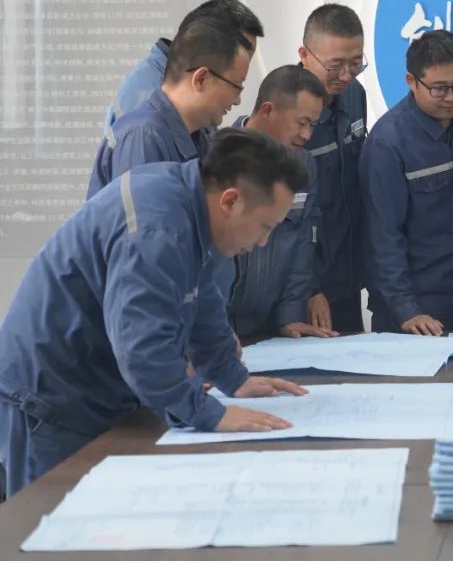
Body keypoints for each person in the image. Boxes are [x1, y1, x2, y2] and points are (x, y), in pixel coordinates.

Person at [0, 130, 311, 498]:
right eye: (265, 227)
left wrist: (230, 376)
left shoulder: (189, 205)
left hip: (93, 390)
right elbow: (142, 345)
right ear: (230, 200)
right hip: (50, 399)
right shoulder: (157, 228)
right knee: (49, 520)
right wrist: (209, 413)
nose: (262, 242)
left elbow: (202, 296)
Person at [360, 30, 453, 335]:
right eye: (439, 88)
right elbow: (382, 236)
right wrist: (406, 310)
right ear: (412, 81)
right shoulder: (388, 144)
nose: (451, 97)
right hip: (412, 311)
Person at [87, 11, 254, 198]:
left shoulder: (196, 135)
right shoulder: (144, 137)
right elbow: (148, 216)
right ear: (201, 79)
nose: (237, 100)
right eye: (236, 86)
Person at [226, 65, 334, 341]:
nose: (307, 135)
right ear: (267, 110)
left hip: (273, 331)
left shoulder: (303, 165)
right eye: (301, 123)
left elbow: (303, 244)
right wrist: (213, 330)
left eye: (313, 125)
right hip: (222, 328)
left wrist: (291, 315)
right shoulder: (217, 159)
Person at [299, 4, 368, 332]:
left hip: (348, 273)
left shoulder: (354, 95)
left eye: (356, 64)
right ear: (305, 54)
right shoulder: (287, 110)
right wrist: (310, 287)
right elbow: (283, 223)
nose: (346, 76)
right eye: (335, 65)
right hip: (304, 288)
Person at [104, 0, 263, 129]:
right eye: (240, 55)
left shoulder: (181, 89)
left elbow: (206, 150)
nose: (237, 100)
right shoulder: (149, 103)